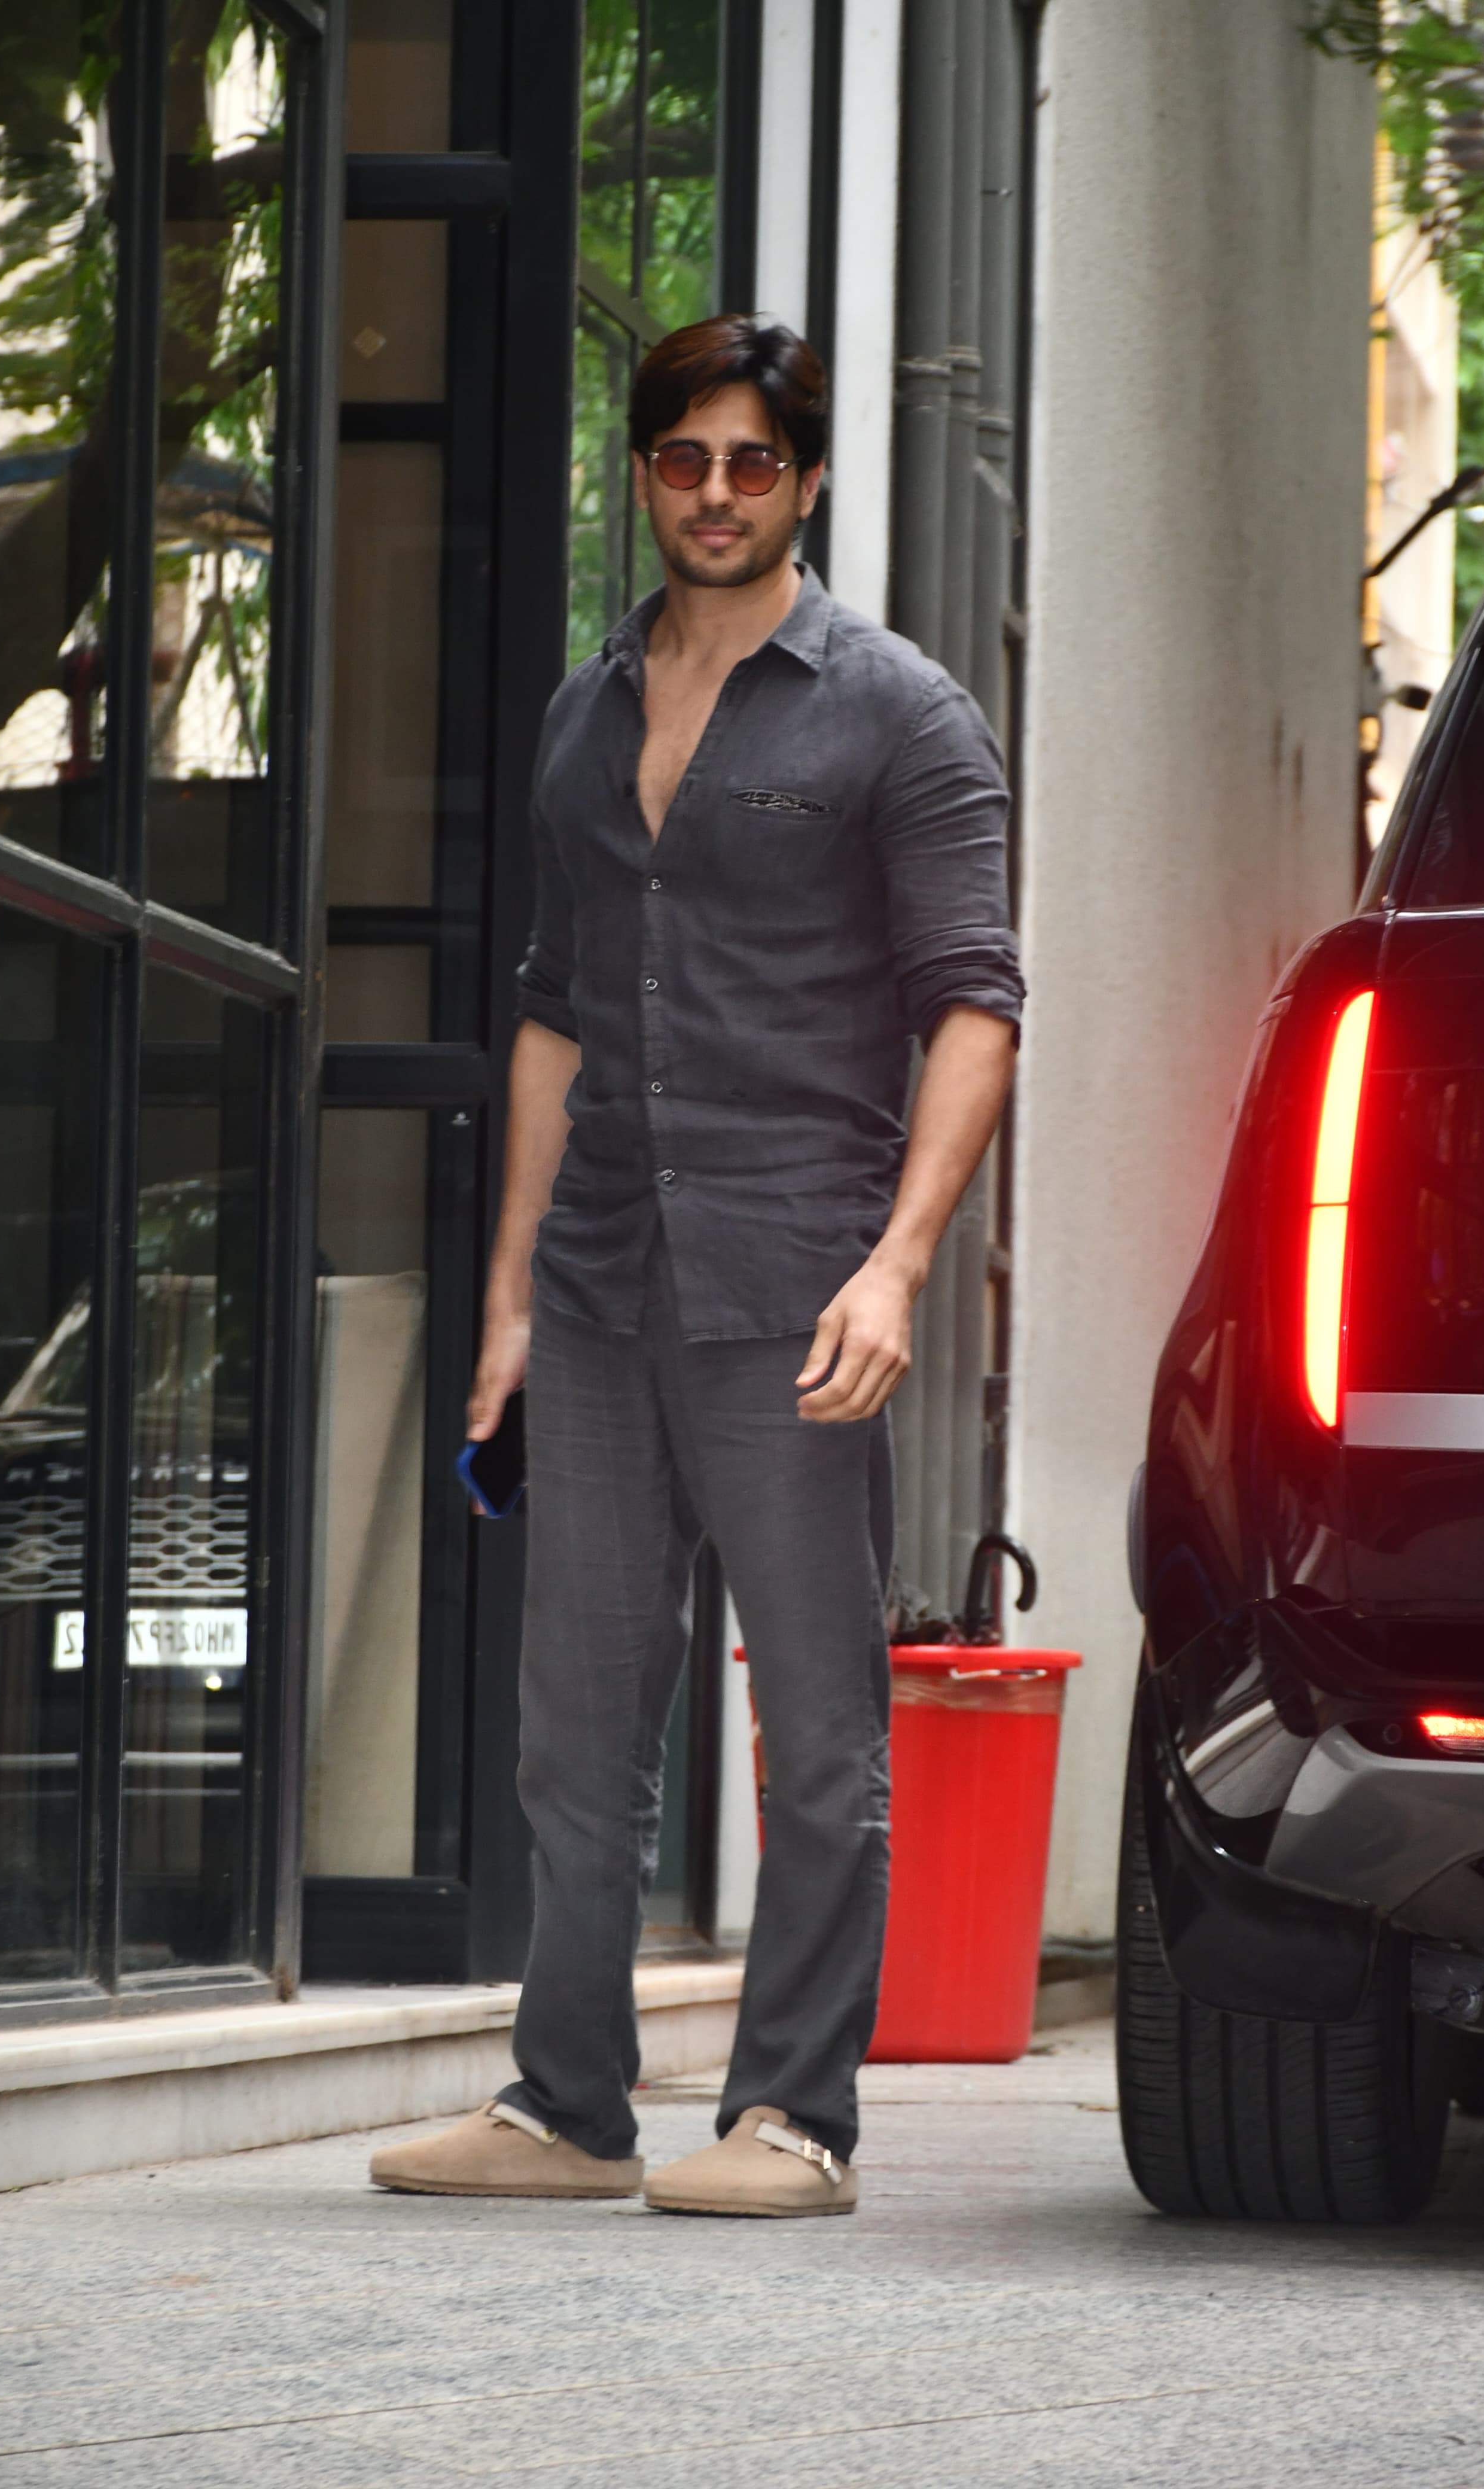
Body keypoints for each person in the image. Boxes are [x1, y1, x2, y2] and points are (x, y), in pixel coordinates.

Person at [368, 315, 1022, 2218]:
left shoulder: (899, 712)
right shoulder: (587, 714)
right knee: (577, 1726)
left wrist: (900, 1266)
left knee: (817, 1723)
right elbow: (556, 1023)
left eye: (754, 463)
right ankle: (569, 2103)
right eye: (682, 460)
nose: (716, 495)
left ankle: (794, 2119)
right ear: (643, 473)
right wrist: (504, 1300)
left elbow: (973, 1007)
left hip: (799, 1278)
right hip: (594, 1282)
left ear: (807, 483)